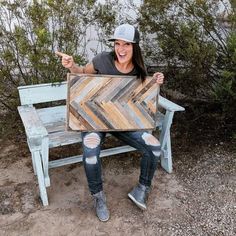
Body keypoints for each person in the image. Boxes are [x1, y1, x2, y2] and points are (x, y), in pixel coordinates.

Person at [56, 23, 164, 222]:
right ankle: (98, 197)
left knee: (154, 146)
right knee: (90, 153)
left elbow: (143, 99)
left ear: (135, 47)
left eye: (127, 45)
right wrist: (71, 65)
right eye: (117, 44)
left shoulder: (139, 69)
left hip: (123, 123)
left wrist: (155, 82)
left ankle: (142, 189)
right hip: (95, 120)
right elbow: (81, 74)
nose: (121, 49)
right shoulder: (102, 60)